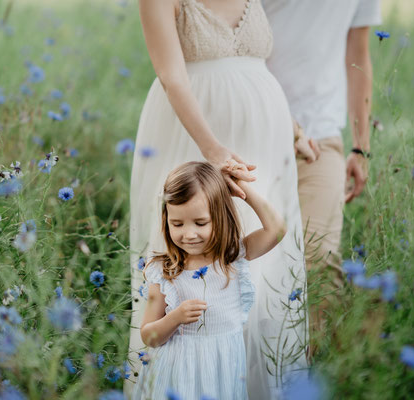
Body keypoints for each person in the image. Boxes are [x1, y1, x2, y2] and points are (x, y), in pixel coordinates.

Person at [128, 0, 308, 397]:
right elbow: (171, 75)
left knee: (265, 276)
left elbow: (254, 67)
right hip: (196, 132)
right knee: (193, 231)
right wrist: (212, 150)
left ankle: (251, 384)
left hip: (263, 140)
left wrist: (294, 130)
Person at [261, 0, 382, 348]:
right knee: (255, 266)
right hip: (255, 129)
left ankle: (312, 379)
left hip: (321, 138)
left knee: (319, 263)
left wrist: (361, 145)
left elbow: (358, 54)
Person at [133, 161, 285, 399]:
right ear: (166, 221)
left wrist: (241, 188)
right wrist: (174, 318)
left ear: (220, 217)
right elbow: (148, 335)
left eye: (201, 223)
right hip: (176, 375)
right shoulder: (165, 270)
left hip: (222, 372)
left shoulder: (232, 258)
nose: (189, 233)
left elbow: (276, 229)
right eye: (177, 223)